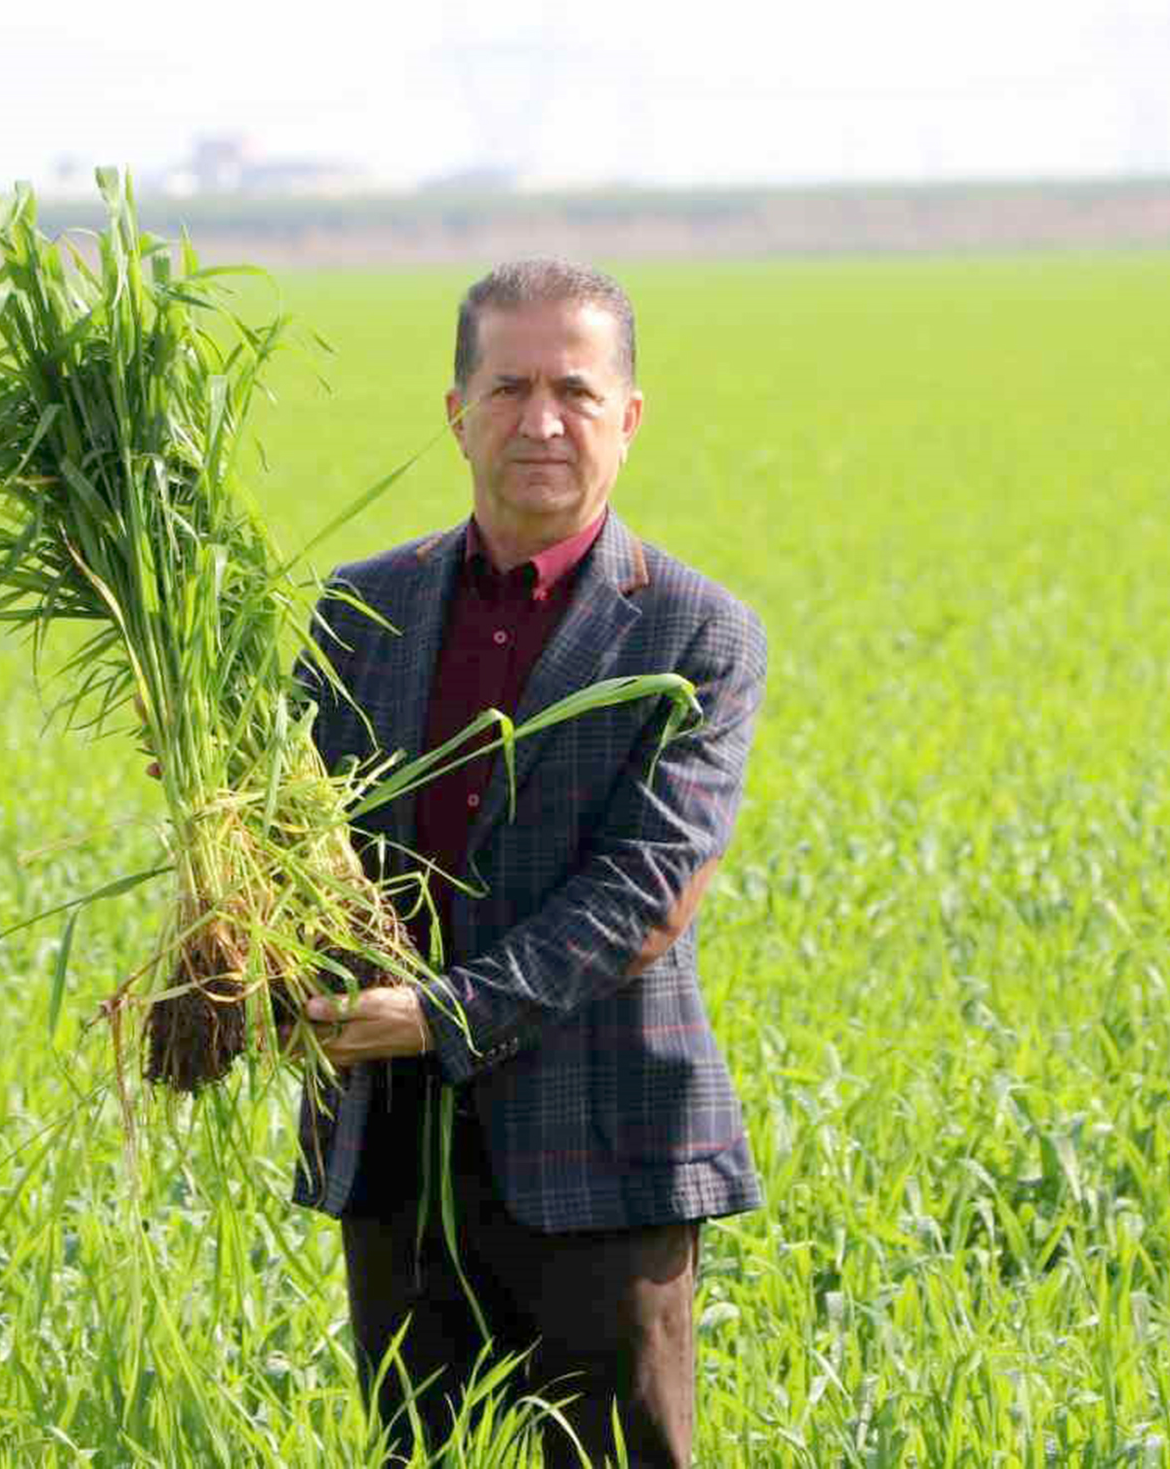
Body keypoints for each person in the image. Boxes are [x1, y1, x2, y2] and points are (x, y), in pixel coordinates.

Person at [289, 257, 768, 1468]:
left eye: (574, 388)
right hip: (392, 1145)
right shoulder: (357, 611)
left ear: (629, 416)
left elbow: (645, 890)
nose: (540, 420)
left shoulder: (693, 631)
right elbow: (298, 844)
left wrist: (438, 1013)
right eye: (507, 388)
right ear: (456, 411)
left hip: (602, 1147)